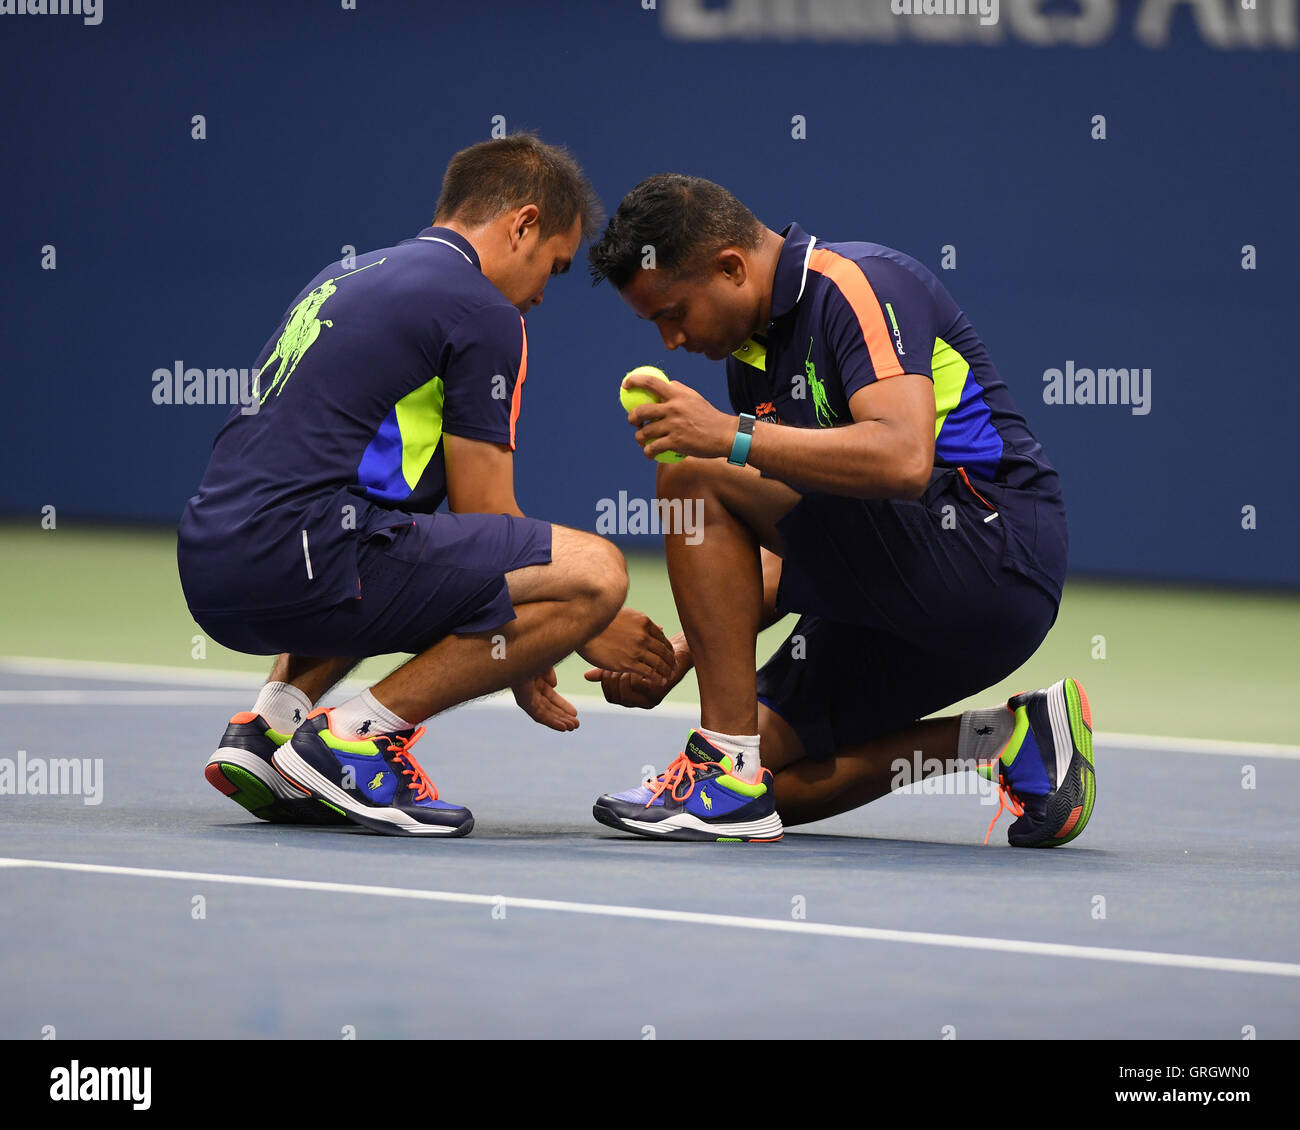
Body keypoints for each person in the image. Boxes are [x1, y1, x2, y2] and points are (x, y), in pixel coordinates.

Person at [178, 134, 675, 838]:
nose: (539, 295)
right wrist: (583, 627)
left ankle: (269, 727)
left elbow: (442, 540)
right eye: (552, 270)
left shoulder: (345, 274)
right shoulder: (484, 310)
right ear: (523, 225)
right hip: (299, 556)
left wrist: (518, 645)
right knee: (595, 571)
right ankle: (356, 739)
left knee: (391, 530)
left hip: (212, 564)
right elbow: (488, 516)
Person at [584, 174, 1093, 846]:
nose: (671, 340)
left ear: (730, 267)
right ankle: (1008, 739)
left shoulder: (858, 284)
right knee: (770, 790)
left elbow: (905, 459)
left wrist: (728, 437)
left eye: (672, 313)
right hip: (904, 591)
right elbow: (793, 539)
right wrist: (684, 651)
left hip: (991, 548)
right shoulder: (750, 357)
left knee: (691, 478)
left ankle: (723, 766)